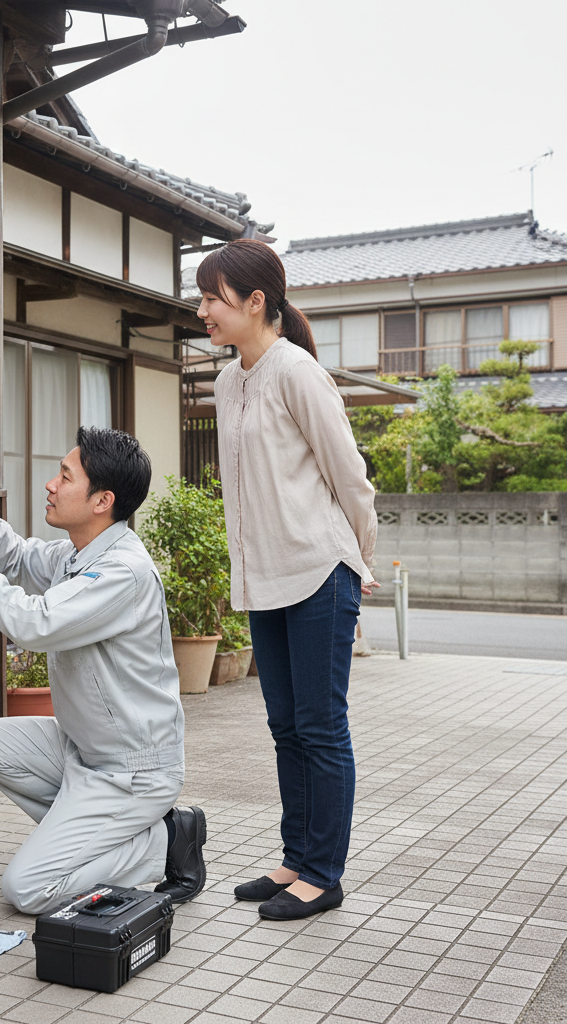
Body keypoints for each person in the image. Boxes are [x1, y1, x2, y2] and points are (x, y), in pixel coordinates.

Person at [0, 427, 206, 915]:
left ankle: (165, 841)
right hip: (84, 750)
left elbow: (34, 624)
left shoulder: (122, 572)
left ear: (103, 500)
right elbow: (17, 559)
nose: (50, 486)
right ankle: (83, 839)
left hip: (131, 772)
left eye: (64, 476)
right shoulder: (77, 553)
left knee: (26, 890)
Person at [199, 239, 379, 922]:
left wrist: (359, 563)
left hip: (317, 569)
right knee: (285, 727)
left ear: (255, 302)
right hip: (264, 578)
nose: (203, 309)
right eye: (202, 296)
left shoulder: (296, 372)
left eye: (214, 297)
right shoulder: (226, 381)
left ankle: (323, 874)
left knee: (320, 727)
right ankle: (295, 859)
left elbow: (349, 475)